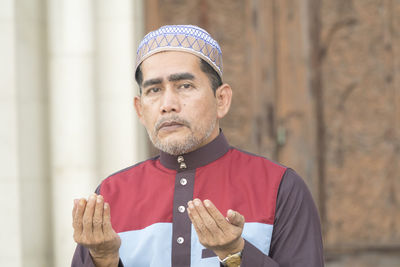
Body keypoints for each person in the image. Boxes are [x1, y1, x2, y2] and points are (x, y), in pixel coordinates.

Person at [71, 25, 324, 267]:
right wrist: (103, 260)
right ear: (140, 109)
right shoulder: (111, 195)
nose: (167, 104)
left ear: (221, 100)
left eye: (185, 86)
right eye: (154, 90)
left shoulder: (280, 188)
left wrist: (235, 255)